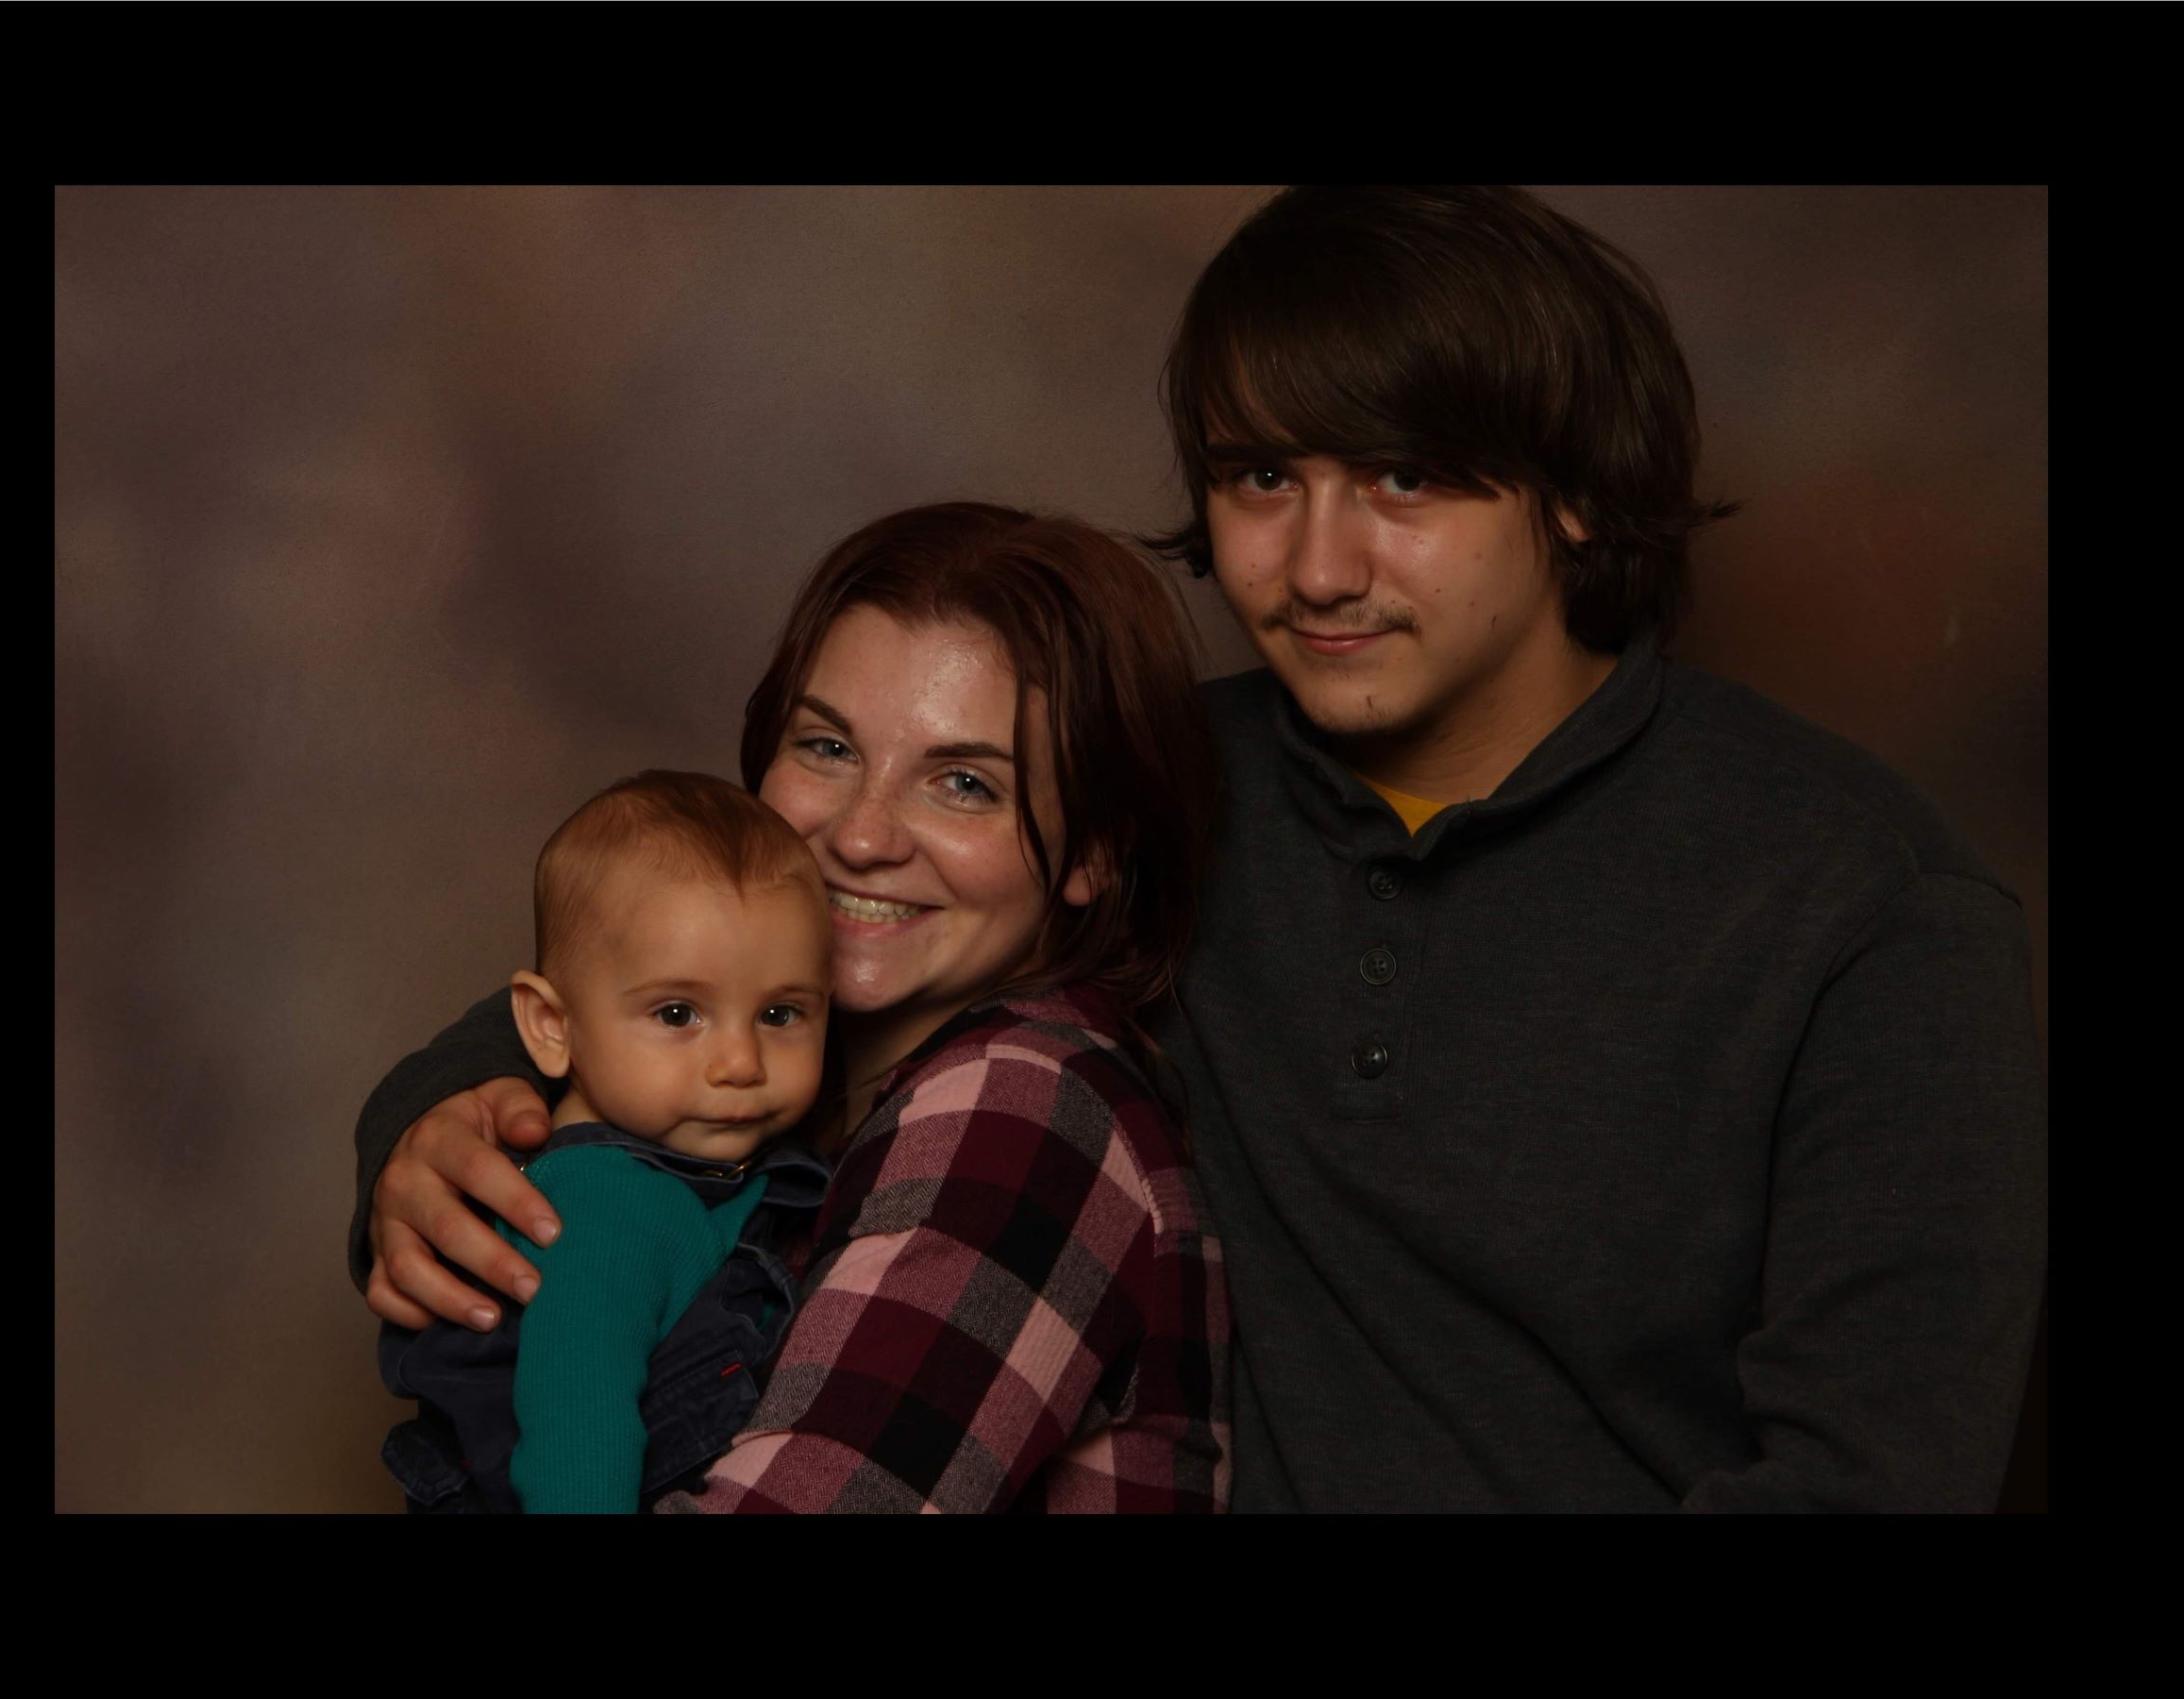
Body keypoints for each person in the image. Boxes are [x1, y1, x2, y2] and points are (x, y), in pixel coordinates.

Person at [1140, 184, 2046, 1510]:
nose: (1318, 567)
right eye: (1264, 477)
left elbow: (1870, 1481)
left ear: (1571, 492)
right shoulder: (1134, 795)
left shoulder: (1874, 912)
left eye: (1404, 476)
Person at [353, 504, 1229, 1512]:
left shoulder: (1016, 1108)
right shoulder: (770, 1087)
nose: (861, 836)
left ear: (1093, 854)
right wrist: (425, 1114)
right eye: (826, 747)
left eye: (962, 783)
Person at [377, 770, 837, 1513]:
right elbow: (576, 1432)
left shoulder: (710, 1165)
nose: (742, 1064)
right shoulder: (602, 1204)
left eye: (781, 1015)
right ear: (552, 1027)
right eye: (679, 1012)